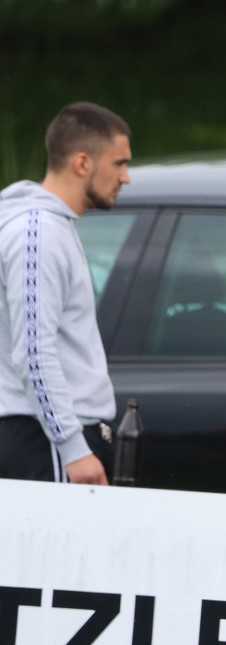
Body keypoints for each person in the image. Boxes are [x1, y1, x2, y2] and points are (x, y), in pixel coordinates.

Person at [0, 101, 132, 485]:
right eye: (119, 163)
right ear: (82, 163)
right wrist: (73, 448)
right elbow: (34, 352)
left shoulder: (52, 226)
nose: (126, 178)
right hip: (44, 440)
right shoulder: (37, 233)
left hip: (52, 436)